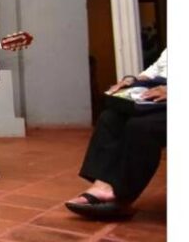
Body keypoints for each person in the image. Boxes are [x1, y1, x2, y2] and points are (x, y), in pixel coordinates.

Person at [65, 49, 167, 219]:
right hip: (159, 95)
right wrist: (129, 82)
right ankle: (103, 185)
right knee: (110, 117)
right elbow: (153, 71)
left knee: (141, 126)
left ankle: (120, 196)